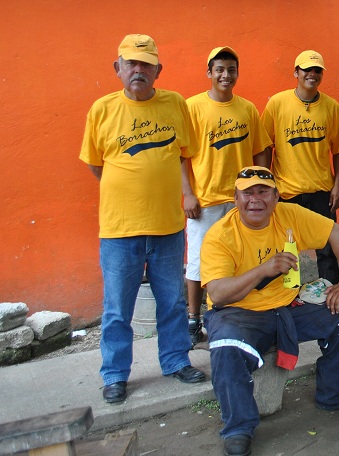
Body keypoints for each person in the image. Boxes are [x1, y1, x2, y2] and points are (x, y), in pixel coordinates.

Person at [201, 167, 339, 456]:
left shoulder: (288, 215)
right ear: (235, 198)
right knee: (225, 343)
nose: (255, 199)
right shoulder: (220, 235)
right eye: (247, 193)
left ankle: (336, 394)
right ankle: (238, 427)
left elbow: (337, 232)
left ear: (276, 197)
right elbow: (218, 294)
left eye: (263, 192)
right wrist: (264, 269)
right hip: (238, 313)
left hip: (287, 305)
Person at [80, 34, 206, 405]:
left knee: (172, 302)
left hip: (167, 226)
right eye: (131, 63)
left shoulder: (175, 103)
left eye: (146, 64)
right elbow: (96, 164)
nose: (138, 70)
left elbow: (183, 154)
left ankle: (176, 360)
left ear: (158, 70)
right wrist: (127, 190)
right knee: (118, 308)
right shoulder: (102, 110)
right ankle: (115, 374)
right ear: (117, 68)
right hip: (120, 230)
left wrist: (176, 192)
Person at [182, 46, 270, 345]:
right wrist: (187, 194)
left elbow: (260, 150)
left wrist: (262, 190)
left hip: (241, 201)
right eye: (219, 69)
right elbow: (181, 155)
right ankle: (193, 321)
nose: (225, 75)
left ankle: (232, 316)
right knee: (198, 263)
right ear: (209, 72)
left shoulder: (247, 109)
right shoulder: (193, 107)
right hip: (205, 202)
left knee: (241, 260)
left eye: (231, 70)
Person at [261, 49, 339, 285]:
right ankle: (287, 297)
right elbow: (265, 145)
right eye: (307, 69)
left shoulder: (331, 106)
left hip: (321, 191)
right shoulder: (277, 104)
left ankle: (329, 294)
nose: (312, 74)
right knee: (285, 250)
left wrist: (337, 185)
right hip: (286, 192)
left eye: (317, 70)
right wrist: (266, 184)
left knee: (327, 248)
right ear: (296, 72)